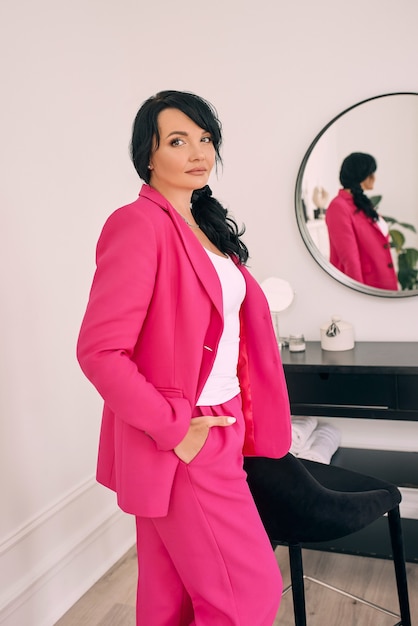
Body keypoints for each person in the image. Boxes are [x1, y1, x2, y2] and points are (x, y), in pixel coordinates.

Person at [76, 90, 291, 626]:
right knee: (251, 595)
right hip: (182, 433)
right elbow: (100, 351)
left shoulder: (204, 225)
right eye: (178, 140)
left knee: (171, 600)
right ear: (148, 155)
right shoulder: (137, 224)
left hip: (219, 423)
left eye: (204, 138)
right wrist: (178, 429)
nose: (198, 151)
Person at [325, 152, 398, 290]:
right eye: (371, 173)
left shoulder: (362, 203)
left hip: (383, 283)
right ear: (360, 175)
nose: (374, 178)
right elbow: (350, 259)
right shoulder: (338, 206)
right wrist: (358, 295)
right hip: (366, 288)